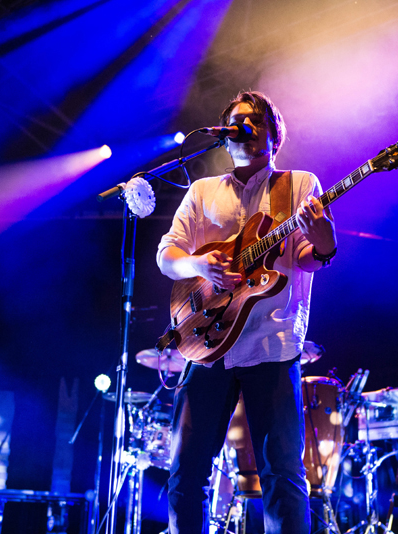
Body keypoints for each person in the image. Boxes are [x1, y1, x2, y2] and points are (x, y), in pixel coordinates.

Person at [156, 90, 337, 534]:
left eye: (256, 121)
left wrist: (325, 240)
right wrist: (199, 265)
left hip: (271, 344)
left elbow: (307, 257)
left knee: (283, 476)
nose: (246, 127)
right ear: (225, 135)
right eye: (238, 121)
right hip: (208, 343)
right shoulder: (202, 191)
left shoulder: (299, 185)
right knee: (186, 474)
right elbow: (167, 254)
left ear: (275, 137)